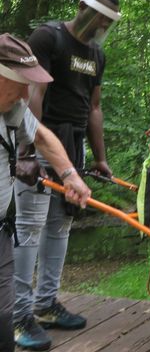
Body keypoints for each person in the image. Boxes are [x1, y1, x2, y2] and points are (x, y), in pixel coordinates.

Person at [12, 0, 120, 351]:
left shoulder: (97, 55)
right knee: (29, 227)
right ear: (81, 8)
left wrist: (100, 158)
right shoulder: (48, 38)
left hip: (73, 150)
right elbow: (32, 94)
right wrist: (26, 150)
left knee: (61, 226)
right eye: (100, 18)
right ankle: (18, 315)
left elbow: (93, 108)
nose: (102, 26)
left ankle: (45, 305)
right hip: (40, 145)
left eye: (108, 23)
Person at [0, 34, 91, 352]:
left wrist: (70, 176)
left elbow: (42, 136)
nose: (27, 93)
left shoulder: (10, 109)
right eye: (21, 83)